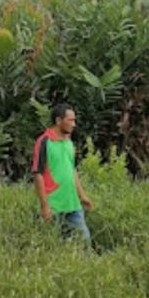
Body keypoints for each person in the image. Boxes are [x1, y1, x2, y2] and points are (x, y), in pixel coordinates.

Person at [32, 103, 94, 244]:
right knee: (52, 243)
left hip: (73, 203)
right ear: (59, 121)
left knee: (84, 241)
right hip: (53, 204)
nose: (74, 124)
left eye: (74, 120)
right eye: (70, 120)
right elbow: (38, 174)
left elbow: (72, 170)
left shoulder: (69, 143)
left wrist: (82, 196)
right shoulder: (44, 142)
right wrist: (44, 205)